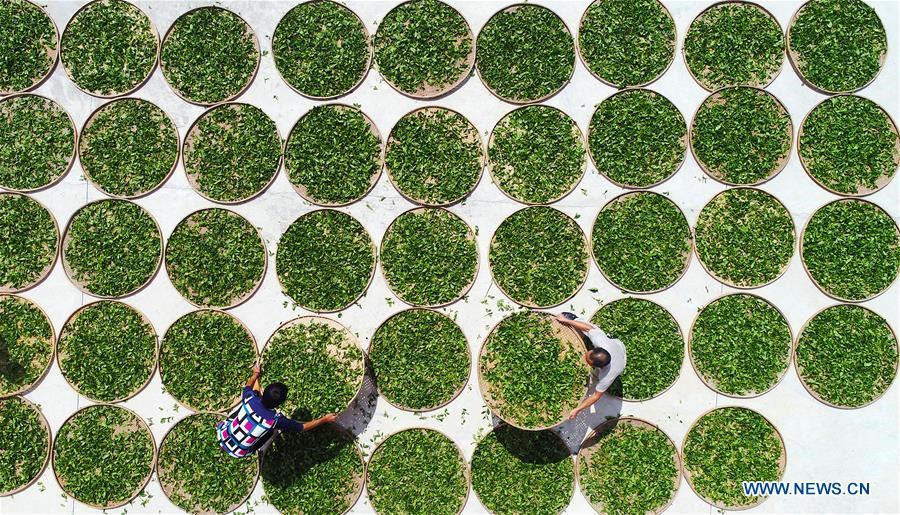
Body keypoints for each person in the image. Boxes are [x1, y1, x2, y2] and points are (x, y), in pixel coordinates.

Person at [217, 363, 336, 458]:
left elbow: (248, 385)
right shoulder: (274, 420)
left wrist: (255, 375)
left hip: (222, 436)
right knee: (270, 432)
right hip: (239, 453)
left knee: (242, 411)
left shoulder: (249, 398)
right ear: (280, 404)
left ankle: (231, 434)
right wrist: (325, 419)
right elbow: (303, 428)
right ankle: (252, 449)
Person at [554, 312, 626, 420]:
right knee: (569, 318)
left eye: (587, 360)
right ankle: (573, 323)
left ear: (596, 366)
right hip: (618, 345)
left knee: (594, 378)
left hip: (621, 362)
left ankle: (594, 374)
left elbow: (596, 396)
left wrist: (577, 409)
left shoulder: (607, 376)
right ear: (596, 349)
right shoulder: (601, 341)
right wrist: (566, 321)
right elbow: (588, 328)